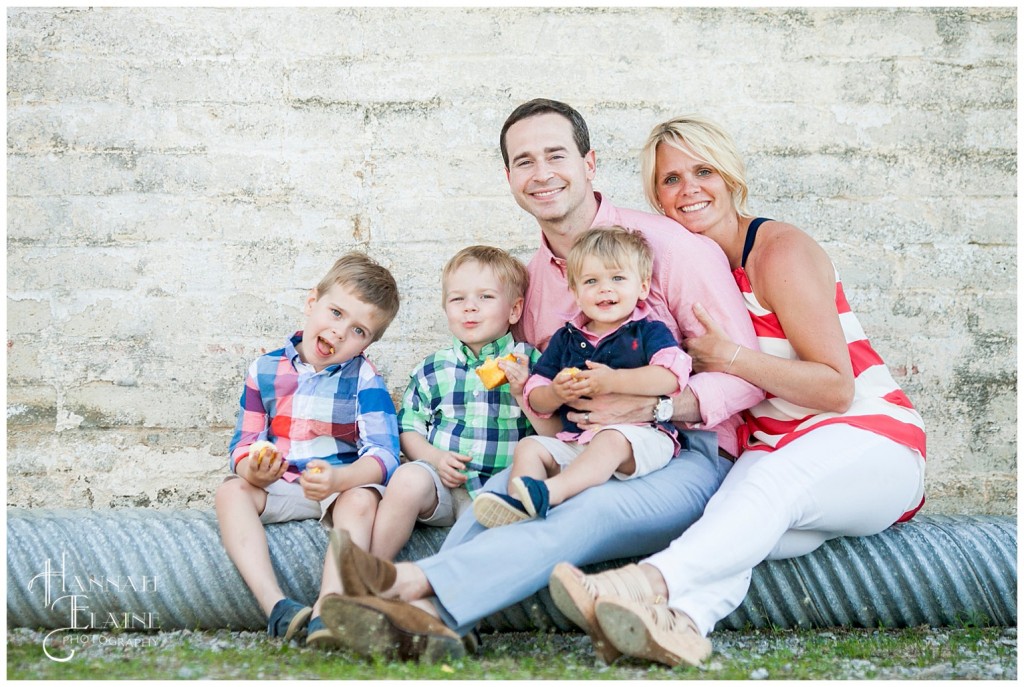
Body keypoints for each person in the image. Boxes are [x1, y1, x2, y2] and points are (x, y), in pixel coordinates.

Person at [317, 98, 764, 663]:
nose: (542, 172)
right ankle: (433, 621)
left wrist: (657, 409)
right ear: (509, 178)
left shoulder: (671, 249)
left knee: (588, 509)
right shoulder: (531, 285)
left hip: (688, 453)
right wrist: (540, 398)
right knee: (505, 489)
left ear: (589, 162)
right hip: (576, 446)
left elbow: (747, 377)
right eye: (524, 161)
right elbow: (545, 402)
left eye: (556, 155)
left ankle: (396, 588)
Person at [548, 115, 928, 668]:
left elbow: (836, 388)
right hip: (776, 448)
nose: (688, 189)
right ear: (657, 195)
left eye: (703, 171)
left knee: (769, 487)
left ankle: (634, 585)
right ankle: (680, 628)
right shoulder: (686, 270)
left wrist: (730, 357)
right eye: (670, 179)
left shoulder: (779, 252)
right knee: (728, 527)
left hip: (870, 439)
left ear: (730, 175)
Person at [214, 252, 401, 648]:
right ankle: (277, 607)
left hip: (336, 486)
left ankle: (328, 609)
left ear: (368, 343)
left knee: (363, 499)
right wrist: (253, 470)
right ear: (311, 301)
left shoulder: (365, 379)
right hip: (283, 485)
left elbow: (385, 455)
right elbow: (243, 444)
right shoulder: (265, 370)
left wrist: (343, 478)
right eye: (335, 313)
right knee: (231, 491)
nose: (339, 332)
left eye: (358, 331)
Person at [473, 227, 691, 527]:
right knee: (529, 447)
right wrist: (557, 394)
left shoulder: (648, 332)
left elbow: (670, 376)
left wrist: (612, 381)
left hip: (640, 436)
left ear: (641, 288)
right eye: (591, 281)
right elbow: (537, 394)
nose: (605, 289)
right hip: (577, 440)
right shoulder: (566, 338)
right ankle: (520, 503)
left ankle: (550, 492)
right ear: (575, 292)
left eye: (617, 278)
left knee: (611, 439)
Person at [370, 245, 555, 560]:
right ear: (446, 308)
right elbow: (409, 427)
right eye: (458, 299)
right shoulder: (434, 368)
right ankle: (371, 568)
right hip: (443, 486)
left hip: (500, 493)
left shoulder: (531, 364)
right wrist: (434, 458)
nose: (470, 307)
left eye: (485, 297)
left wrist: (523, 394)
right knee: (408, 477)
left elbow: (553, 436)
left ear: (514, 310)